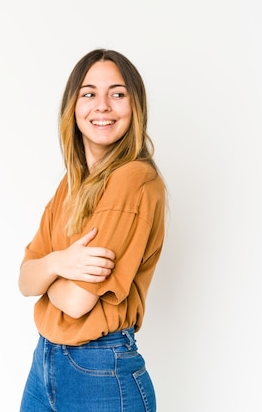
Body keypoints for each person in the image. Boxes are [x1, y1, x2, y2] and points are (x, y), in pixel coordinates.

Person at [18, 48, 166, 412]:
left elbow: (77, 301)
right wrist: (59, 263)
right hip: (46, 362)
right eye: (89, 93)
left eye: (117, 94)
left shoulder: (133, 180)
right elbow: (24, 280)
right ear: (73, 106)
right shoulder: (71, 185)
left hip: (100, 370)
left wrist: (47, 270)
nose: (102, 105)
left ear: (135, 109)